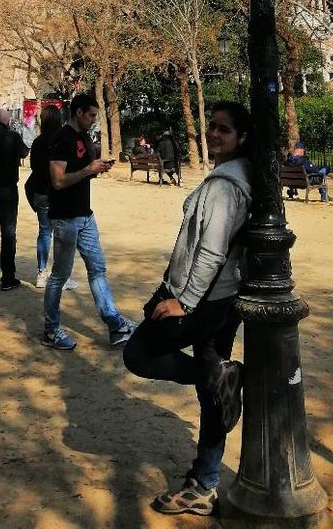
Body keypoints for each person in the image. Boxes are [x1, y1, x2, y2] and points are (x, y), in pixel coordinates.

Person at [123, 101, 253, 516]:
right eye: (212, 126)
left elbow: (212, 251)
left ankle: (216, 376)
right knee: (213, 394)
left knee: (139, 353)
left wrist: (184, 301)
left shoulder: (223, 187)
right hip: (223, 296)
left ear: (242, 137)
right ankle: (205, 483)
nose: (214, 133)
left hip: (204, 300)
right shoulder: (240, 175)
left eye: (225, 130)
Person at [42, 92, 135, 351]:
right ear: (79, 112)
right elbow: (58, 181)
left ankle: (114, 324)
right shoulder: (61, 139)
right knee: (59, 276)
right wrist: (88, 170)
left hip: (85, 215)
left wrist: (97, 169)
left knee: (98, 269)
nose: (94, 120)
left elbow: (82, 173)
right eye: (92, 115)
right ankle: (51, 330)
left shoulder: (83, 136)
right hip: (65, 219)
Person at [0, 108, 27, 290]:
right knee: (8, 234)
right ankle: (8, 277)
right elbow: (24, 153)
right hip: (8, 190)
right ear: (7, 121)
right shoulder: (13, 136)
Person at [28, 104, 63, 288]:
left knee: (44, 232)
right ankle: (59, 274)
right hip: (59, 193)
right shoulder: (61, 141)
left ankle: (42, 271)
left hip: (41, 191)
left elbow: (33, 167)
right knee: (60, 233)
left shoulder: (38, 142)